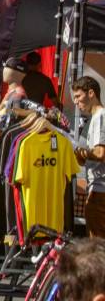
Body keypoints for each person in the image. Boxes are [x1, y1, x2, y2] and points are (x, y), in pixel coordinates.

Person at [72, 76, 105, 239]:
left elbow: (100, 153)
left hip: (100, 191)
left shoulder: (100, 116)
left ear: (91, 93)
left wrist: (79, 151)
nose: (76, 102)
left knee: (96, 243)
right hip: (96, 188)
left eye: (78, 97)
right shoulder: (93, 119)